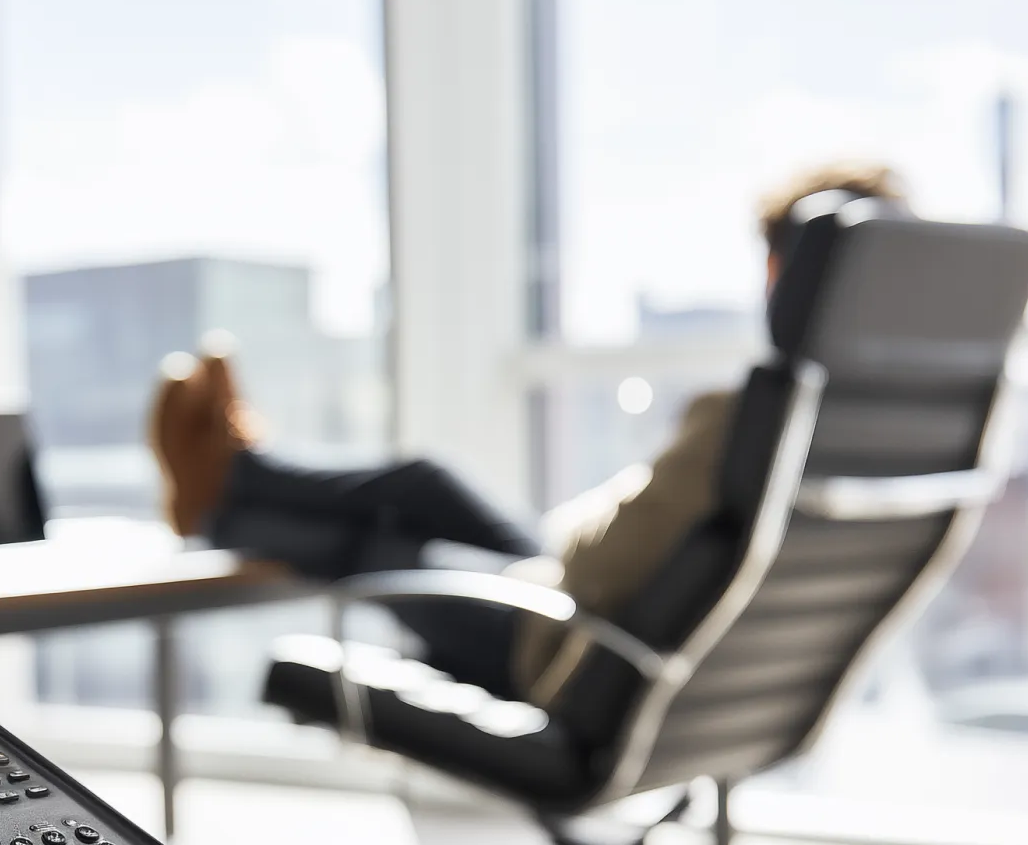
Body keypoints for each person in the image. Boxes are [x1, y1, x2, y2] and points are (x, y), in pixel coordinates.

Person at [148, 161, 910, 709]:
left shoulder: (750, 420)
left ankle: (226, 488)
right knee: (421, 482)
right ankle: (228, 482)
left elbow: (602, 568)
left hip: (571, 641)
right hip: (624, 626)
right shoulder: (894, 436)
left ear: (785, 274)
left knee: (376, 547)